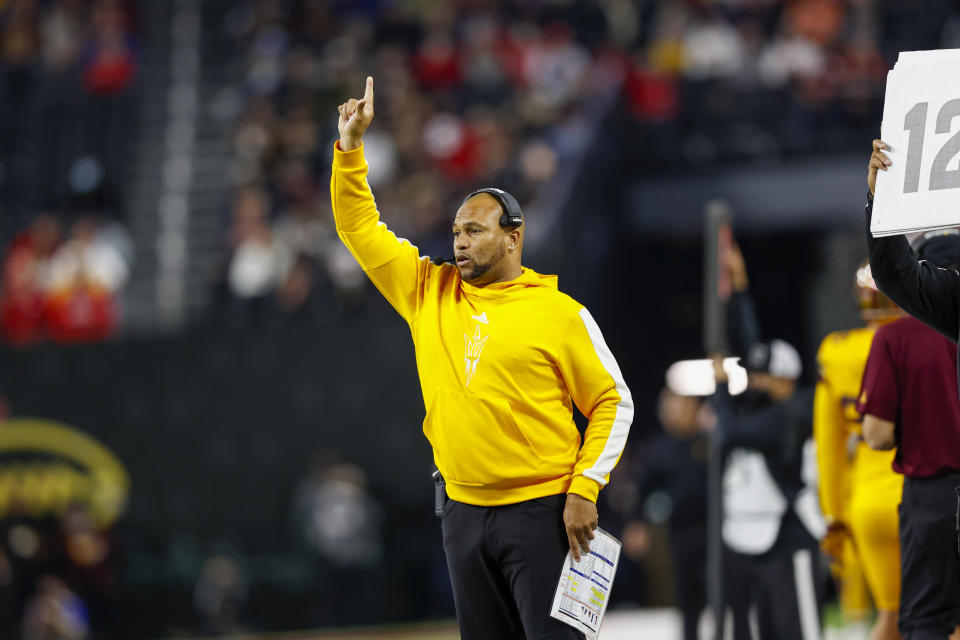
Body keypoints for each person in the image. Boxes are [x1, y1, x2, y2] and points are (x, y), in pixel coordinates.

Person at [331, 77, 633, 639]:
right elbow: (359, 228)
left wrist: (585, 489)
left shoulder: (560, 312)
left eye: (474, 230)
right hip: (462, 515)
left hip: (545, 514)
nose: (460, 241)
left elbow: (615, 402)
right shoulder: (427, 289)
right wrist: (350, 151)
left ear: (514, 237)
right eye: (455, 231)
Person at [865, 140, 960, 640]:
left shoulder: (893, 338)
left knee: (922, 620)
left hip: (924, 496)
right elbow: (894, 274)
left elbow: (876, 434)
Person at [713, 243, 825, 640]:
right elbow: (750, 344)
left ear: (786, 379)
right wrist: (739, 286)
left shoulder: (792, 412)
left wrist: (720, 389)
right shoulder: (768, 405)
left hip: (790, 534)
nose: (755, 381)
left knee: (798, 631)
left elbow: (729, 431)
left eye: (764, 376)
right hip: (756, 536)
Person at [814, 262, 903, 640]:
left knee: (891, 617)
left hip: (865, 499)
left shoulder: (836, 351)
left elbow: (828, 444)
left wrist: (832, 513)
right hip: (919, 489)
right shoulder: (921, 338)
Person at [622, 388, 709, 640]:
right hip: (678, 533)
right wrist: (635, 524)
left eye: (681, 405)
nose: (673, 412)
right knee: (686, 600)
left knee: (724, 593)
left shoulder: (710, 441)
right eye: (669, 407)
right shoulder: (657, 449)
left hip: (716, 531)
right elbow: (640, 491)